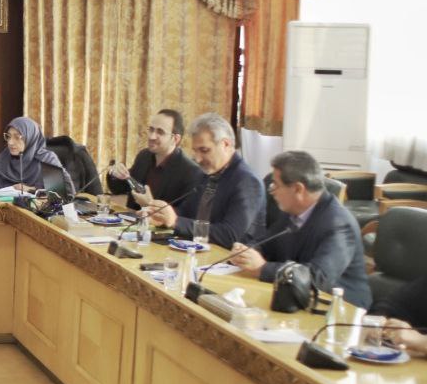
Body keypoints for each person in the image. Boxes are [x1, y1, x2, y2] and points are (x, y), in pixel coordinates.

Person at [225, 150, 370, 309]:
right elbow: (267, 244)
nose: (271, 191)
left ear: (298, 189)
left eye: (276, 185)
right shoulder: (292, 211)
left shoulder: (339, 224)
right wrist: (246, 251)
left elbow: (318, 279)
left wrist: (262, 268)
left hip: (339, 309)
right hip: (294, 297)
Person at [144, 112, 264, 248]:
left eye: (204, 150)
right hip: (197, 250)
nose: (198, 159)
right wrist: (161, 215)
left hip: (231, 257)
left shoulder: (247, 181)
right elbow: (187, 212)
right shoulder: (205, 173)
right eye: (195, 151)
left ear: (225, 144)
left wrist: (176, 221)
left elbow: (229, 235)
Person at [106, 109, 203, 211]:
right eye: (151, 129)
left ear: (175, 139)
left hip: (158, 221)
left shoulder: (191, 172)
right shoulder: (144, 156)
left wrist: (150, 205)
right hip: (131, 218)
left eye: (160, 132)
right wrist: (115, 174)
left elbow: (185, 214)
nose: (152, 136)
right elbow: (120, 189)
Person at [0, 116, 71, 194]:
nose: (10, 142)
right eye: (8, 136)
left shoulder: (47, 159)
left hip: (39, 204)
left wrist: (31, 190)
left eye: (17, 137)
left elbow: (65, 193)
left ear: (31, 137)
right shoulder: (2, 160)